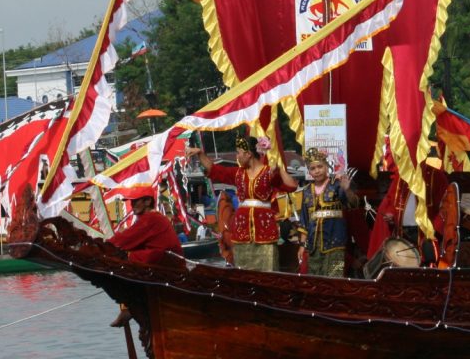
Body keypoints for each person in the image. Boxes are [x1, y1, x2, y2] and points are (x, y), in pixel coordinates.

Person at [187, 136, 297, 272]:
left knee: (267, 271)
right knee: (242, 270)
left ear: (248, 154)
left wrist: (279, 169)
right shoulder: (238, 173)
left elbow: (291, 186)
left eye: (238, 152)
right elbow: (214, 170)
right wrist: (200, 153)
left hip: (264, 230)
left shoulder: (268, 173)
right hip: (241, 231)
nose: (237, 156)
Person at [106, 186, 183, 328]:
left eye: (136, 201)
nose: (132, 205)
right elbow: (128, 240)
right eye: (132, 201)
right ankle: (129, 305)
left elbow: (122, 241)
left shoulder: (151, 218)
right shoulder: (151, 218)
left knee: (123, 258)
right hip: (165, 266)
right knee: (125, 256)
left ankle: (129, 306)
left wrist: (99, 246)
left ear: (148, 201)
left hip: (165, 265)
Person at [294, 148, 359, 277]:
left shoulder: (336, 185)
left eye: (320, 166)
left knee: (335, 276)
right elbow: (304, 221)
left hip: (336, 243)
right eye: (313, 168)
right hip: (313, 245)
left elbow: (353, 204)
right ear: (309, 171)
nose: (317, 171)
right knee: (314, 277)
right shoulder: (306, 191)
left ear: (326, 166)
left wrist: (347, 190)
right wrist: (302, 245)